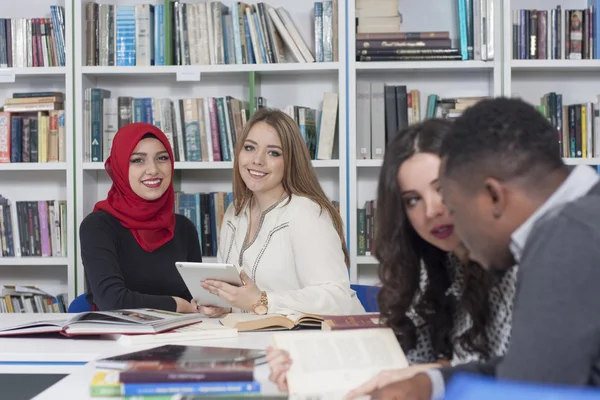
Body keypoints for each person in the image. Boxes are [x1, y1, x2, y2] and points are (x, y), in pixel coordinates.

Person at [267, 119, 517, 395]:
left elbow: (524, 377)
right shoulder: (430, 264)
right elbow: (408, 363)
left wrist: (428, 374)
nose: (431, 210)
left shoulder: (515, 262)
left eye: (442, 189)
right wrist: (310, 368)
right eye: (413, 199)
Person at [371, 97, 600, 399]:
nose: (437, 214)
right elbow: (530, 370)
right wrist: (432, 383)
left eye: (453, 206)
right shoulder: (581, 219)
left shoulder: (567, 239)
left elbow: (526, 393)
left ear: (493, 196)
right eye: (413, 200)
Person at [197, 108, 364, 318]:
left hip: (312, 343)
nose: (257, 160)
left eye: (273, 153)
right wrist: (227, 303)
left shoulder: (306, 213)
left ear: (291, 161)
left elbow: (338, 298)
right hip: (256, 339)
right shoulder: (235, 211)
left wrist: (262, 300)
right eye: (249, 148)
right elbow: (247, 298)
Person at [79, 122, 201, 313]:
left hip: (179, 334)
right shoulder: (98, 226)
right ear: (119, 167)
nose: (153, 170)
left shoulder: (184, 228)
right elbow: (111, 301)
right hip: (115, 337)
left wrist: (209, 305)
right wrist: (177, 304)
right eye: (137, 160)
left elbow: (196, 298)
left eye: (162, 158)